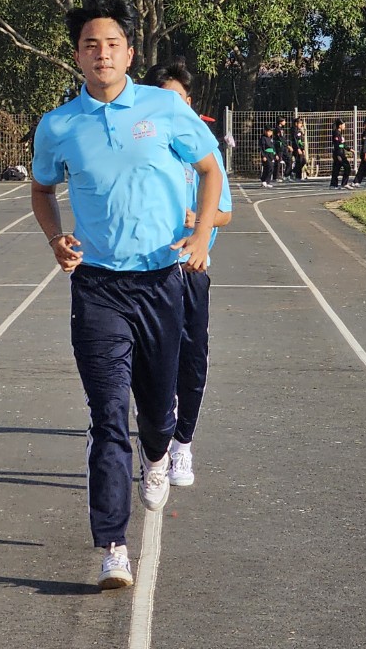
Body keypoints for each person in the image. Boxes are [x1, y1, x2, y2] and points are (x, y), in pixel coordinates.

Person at [29, 0, 222, 591]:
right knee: (108, 415)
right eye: (91, 45)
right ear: (77, 55)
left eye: (112, 44)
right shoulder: (59, 125)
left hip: (162, 281)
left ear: (130, 51)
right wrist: (56, 237)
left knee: (156, 412)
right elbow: (42, 190)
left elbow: (212, 169)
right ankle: (114, 544)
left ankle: (159, 454)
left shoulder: (165, 111)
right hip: (97, 288)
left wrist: (199, 241)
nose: (102, 53)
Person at [141, 63, 232, 489]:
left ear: (189, 103)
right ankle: (154, 430)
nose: (169, 106)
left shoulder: (203, 150)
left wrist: (202, 222)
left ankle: (182, 445)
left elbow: (226, 212)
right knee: (151, 360)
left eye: (176, 98)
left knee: (191, 359)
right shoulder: (146, 145)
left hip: (191, 269)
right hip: (146, 271)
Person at [330, 120, 352, 189]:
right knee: (344, 167)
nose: (344, 126)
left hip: (341, 153)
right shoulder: (336, 133)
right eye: (343, 124)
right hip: (338, 153)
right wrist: (338, 155)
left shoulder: (339, 133)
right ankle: (335, 184)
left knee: (339, 168)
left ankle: (338, 184)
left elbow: (343, 144)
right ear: (340, 125)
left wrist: (349, 149)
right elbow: (338, 145)